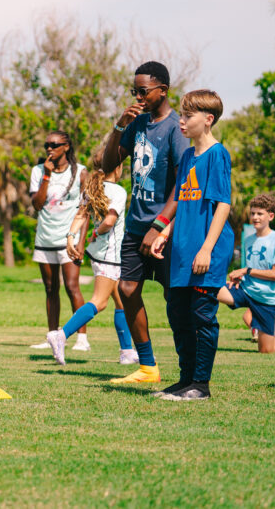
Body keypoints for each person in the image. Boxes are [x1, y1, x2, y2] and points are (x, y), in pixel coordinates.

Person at [101, 61, 191, 384]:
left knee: (174, 299)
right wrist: (119, 127)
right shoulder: (137, 124)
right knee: (126, 289)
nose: (138, 97)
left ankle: (189, 371)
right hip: (136, 227)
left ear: (162, 91)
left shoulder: (175, 129)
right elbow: (108, 162)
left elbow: (183, 185)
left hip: (165, 231)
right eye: (134, 91)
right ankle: (148, 366)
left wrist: (159, 225)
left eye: (143, 91)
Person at [151, 90, 233, 401]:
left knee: (201, 316)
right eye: (182, 114)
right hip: (181, 251)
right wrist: (164, 232)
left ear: (208, 120)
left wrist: (206, 249)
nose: (181, 121)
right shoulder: (188, 157)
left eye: (188, 116)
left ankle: (201, 384)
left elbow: (223, 205)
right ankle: (185, 381)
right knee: (178, 315)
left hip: (204, 251)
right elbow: (183, 203)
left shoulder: (217, 154)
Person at [47, 152, 137, 366]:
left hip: (100, 254)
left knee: (121, 300)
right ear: (118, 168)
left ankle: (126, 351)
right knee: (100, 301)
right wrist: (96, 233)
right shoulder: (118, 191)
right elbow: (109, 221)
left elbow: (80, 215)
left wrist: (70, 237)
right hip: (110, 255)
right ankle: (61, 335)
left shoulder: (93, 188)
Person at [29, 131, 89, 351]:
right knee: (50, 288)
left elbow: (86, 209)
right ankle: (52, 336)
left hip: (68, 240)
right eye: (47, 145)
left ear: (66, 146)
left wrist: (80, 241)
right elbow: (37, 204)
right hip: (45, 237)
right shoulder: (38, 171)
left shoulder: (80, 172)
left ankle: (82, 338)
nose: (49, 149)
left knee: (72, 286)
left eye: (54, 145)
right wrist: (46, 175)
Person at [214, 194, 275, 354]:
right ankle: (201, 333)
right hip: (245, 290)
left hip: (266, 300)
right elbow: (249, 267)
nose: (255, 217)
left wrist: (246, 271)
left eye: (260, 214)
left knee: (266, 351)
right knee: (210, 288)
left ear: (271, 216)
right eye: (253, 213)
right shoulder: (248, 239)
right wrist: (240, 277)